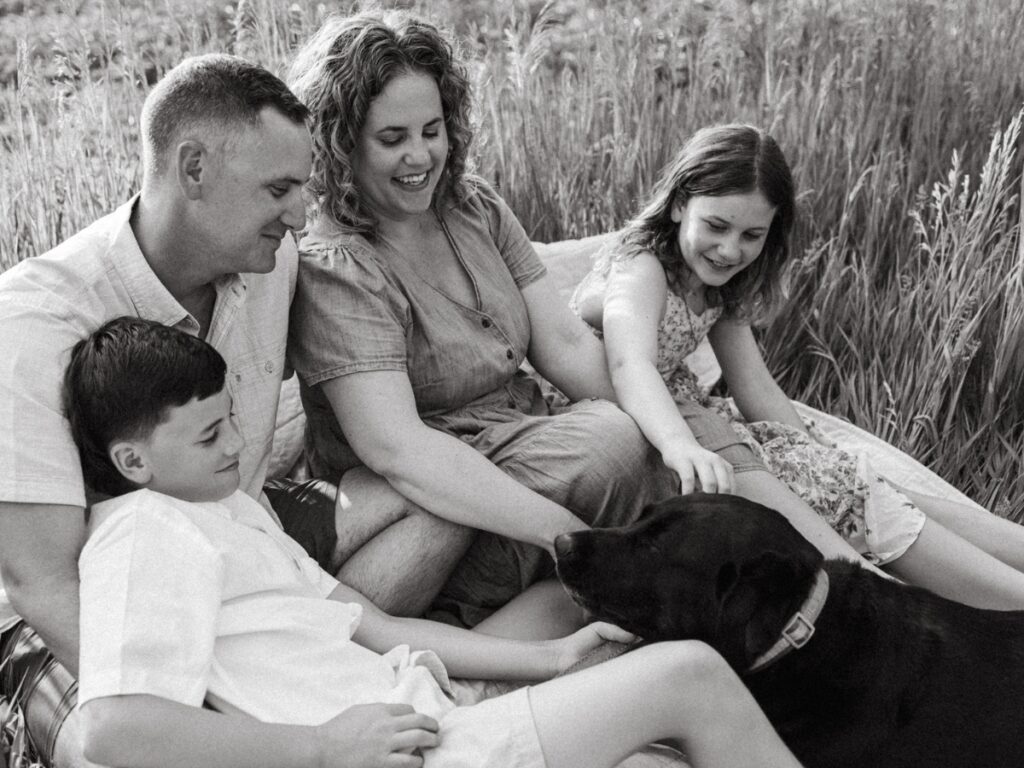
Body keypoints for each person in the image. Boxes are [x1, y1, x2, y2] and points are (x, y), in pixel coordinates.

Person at [284, 10, 882, 634]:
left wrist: (679, 430)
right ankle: (566, 597)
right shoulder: (338, 266)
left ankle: (814, 590)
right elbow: (397, 448)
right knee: (608, 442)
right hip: (423, 491)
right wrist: (572, 534)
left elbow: (567, 345)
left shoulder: (472, 207)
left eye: (432, 130)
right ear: (341, 139)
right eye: (392, 138)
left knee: (647, 440)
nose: (420, 155)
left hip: (525, 437)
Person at [68, 315, 804, 768]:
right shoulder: (141, 532)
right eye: (208, 435)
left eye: (232, 418)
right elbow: (109, 730)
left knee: (566, 602)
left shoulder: (228, 510)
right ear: (134, 462)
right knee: (690, 677)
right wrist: (322, 751)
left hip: (419, 702)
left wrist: (549, 660)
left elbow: (376, 626)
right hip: (408, 750)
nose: (237, 443)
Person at [0, 53, 448, 767]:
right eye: (278, 189)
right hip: (91, 616)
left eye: (301, 188)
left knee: (430, 500)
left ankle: (324, 660)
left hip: (235, 533)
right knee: (117, 747)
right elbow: (41, 582)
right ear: (194, 170)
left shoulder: (269, 263)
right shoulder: (33, 323)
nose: (300, 215)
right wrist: (235, 725)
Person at [570, 122, 1024, 610]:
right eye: (717, 226)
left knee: (855, 478)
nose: (730, 250)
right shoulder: (641, 267)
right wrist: (679, 444)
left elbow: (755, 389)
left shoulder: (718, 282)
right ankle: (1003, 597)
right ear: (680, 204)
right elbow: (628, 363)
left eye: (752, 235)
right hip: (629, 418)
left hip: (683, 412)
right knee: (857, 498)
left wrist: (817, 452)